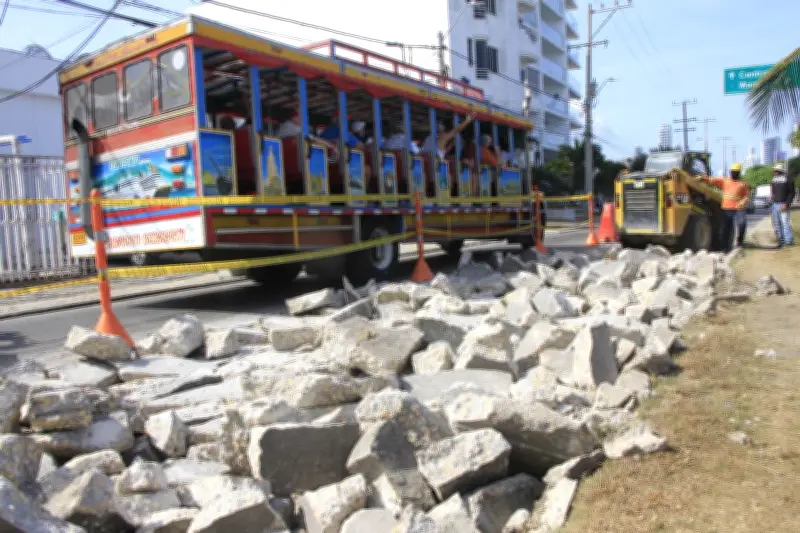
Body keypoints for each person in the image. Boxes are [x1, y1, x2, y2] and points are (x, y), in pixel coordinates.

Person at [707, 162, 749, 250]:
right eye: (733, 171)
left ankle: (740, 241)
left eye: (736, 172)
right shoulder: (725, 181)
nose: (734, 173)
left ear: (739, 173)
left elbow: (746, 196)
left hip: (738, 208)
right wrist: (702, 178)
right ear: (730, 172)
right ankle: (725, 247)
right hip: (726, 208)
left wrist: (743, 202)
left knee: (742, 223)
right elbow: (712, 180)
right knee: (726, 228)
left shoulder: (743, 184)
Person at [770, 162, 795, 248]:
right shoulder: (774, 179)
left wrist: (787, 203)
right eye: (774, 170)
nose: (775, 172)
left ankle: (788, 241)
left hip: (784, 204)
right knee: (777, 223)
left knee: (785, 222)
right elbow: (773, 191)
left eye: (777, 170)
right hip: (775, 204)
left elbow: (792, 193)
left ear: (781, 171)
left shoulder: (788, 178)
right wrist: (772, 199)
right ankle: (781, 241)